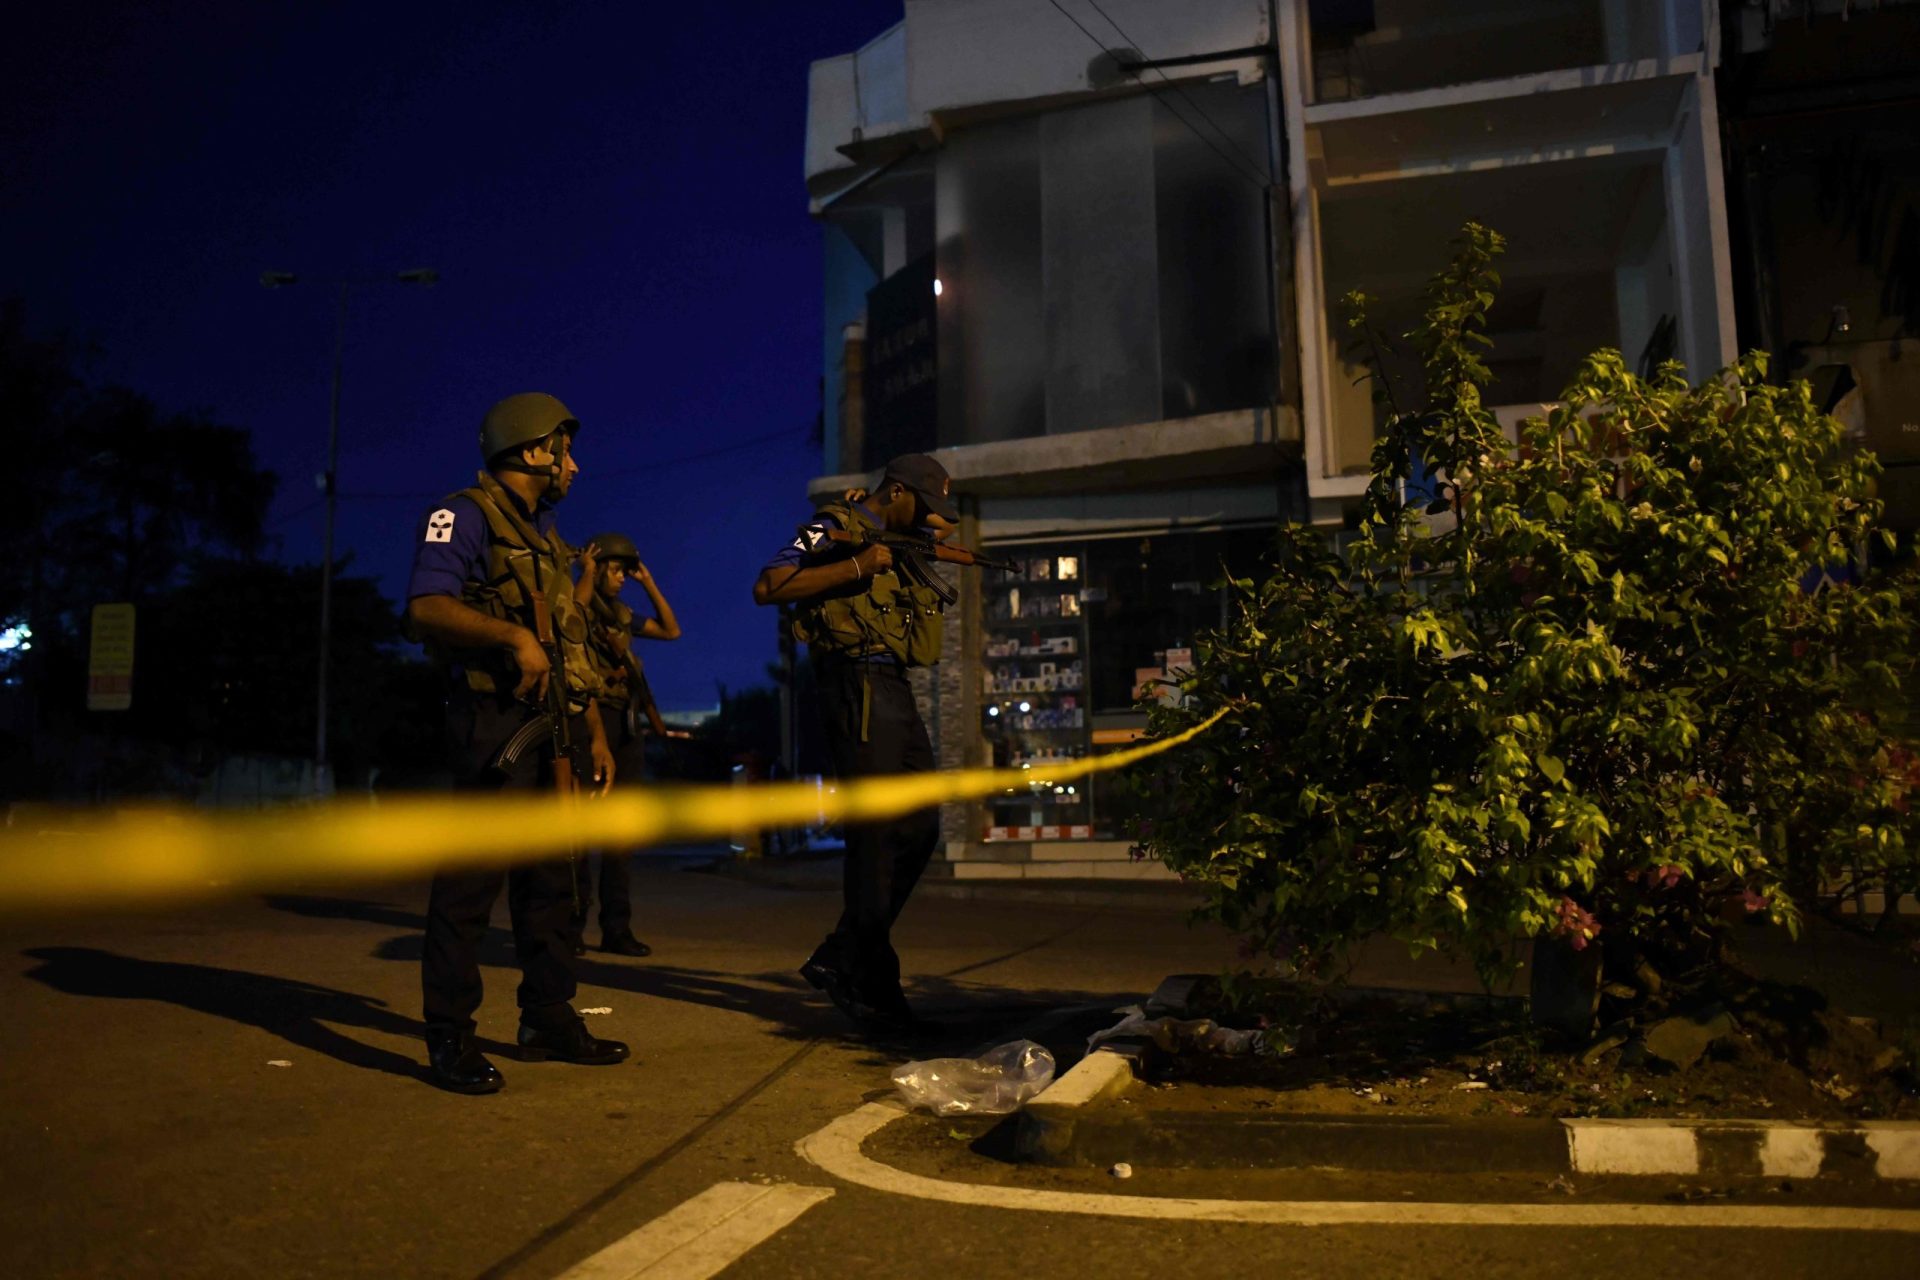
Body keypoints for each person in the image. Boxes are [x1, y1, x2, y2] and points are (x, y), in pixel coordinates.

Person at [404, 391, 629, 1094]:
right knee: (470, 887)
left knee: (553, 883)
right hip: (493, 722)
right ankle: (449, 1034)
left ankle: (549, 1017)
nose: (574, 466)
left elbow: (569, 644)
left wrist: (594, 732)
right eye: (566, 451)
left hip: (555, 728)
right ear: (534, 451)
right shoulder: (462, 515)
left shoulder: (545, 538)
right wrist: (508, 636)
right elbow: (425, 605)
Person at [751, 453, 958, 1031]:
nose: (931, 518)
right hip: (855, 684)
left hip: (892, 683)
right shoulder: (828, 528)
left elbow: (942, 527)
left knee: (920, 826)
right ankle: (869, 977)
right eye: (921, 502)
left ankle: (845, 953)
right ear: (895, 491)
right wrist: (857, 563)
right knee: (875, 836)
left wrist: (902, 516)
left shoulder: (891, 524)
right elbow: (769, 584)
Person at [570, 530, 682, 957]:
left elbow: (671, 631)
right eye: (615, 570)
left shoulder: (620, 614)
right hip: (589, 720)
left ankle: (616, 928)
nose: (620, 578)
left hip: (625, 724)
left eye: (624, 571)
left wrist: (647, 582)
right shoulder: (583, 602)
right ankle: (573, 927)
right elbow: (573, 615)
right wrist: (587, 572)